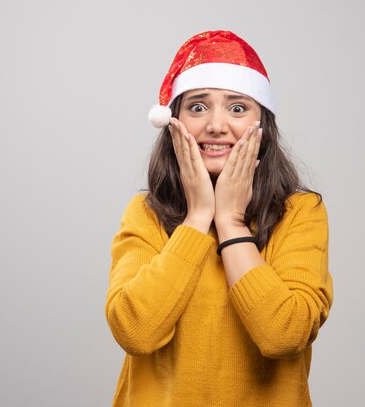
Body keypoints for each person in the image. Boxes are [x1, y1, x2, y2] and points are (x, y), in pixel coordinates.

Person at [105, 30, 333, 407]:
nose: (215, 125)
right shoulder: (146, 215)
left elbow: (284, 334)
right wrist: (198, 217)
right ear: (173, 121)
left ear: (264, 126)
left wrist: (230, 222)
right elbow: (135, 330)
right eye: (197, 107)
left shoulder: (300, 213)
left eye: (238, 108)